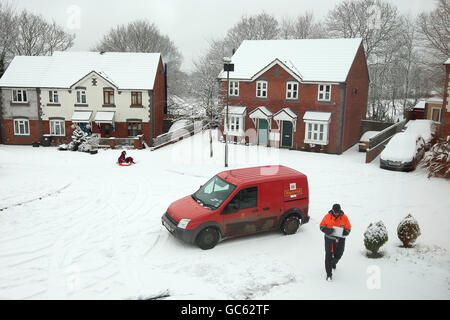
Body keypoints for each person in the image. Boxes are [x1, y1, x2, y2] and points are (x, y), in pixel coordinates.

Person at [319, 203, 351, 281]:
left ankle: (333, 263)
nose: (336, 213)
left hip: (340, 240)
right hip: (329, 239)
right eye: (335, 212)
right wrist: (327, 230)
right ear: (332, 210)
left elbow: (348, 228)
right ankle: (329, 274)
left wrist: (345, 232)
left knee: (339, 254)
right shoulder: (327, 217)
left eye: (338, 212)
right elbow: (321, 226)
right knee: (328, 256)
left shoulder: (344, 217)